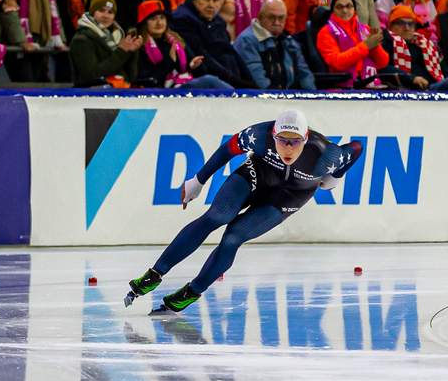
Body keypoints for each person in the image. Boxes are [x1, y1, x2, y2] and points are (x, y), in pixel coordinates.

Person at [125, 108, 362, 313]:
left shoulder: (325, 154)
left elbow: (356, 148)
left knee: (233, 237)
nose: (288, 148)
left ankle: (192, 292)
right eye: (282, 140)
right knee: (216, 216)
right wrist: (198, 181)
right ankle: (153, 275)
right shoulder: (259, 135)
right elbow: (226, 150)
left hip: (287, 198)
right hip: (256, 176)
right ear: (273, 135)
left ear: (306, 137)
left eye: (295, 141)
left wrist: (336, 176)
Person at [169, 0, 252, 88]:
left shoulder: (217, 21)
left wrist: (250, 82)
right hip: (202, 79)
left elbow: (231, 52)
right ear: (195, 0)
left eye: (215, 0)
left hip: (228, 78)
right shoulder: (182, 19)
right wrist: (236, 82)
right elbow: (202, 56)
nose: (211, 5)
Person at [135, 0, 231, 89]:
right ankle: (238, 98)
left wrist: (193, 66)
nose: (159, 23)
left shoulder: (175, 40)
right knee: (210, 81)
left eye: (162, 18)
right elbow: (148, 80)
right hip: (160, 94)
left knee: (212, 79)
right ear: (144, 23)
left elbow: (201, 72)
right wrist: (169, 61)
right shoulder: (139, 46)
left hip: (181, 86)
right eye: (153, 19)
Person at [381, 4, 448, 91]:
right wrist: (411, 79)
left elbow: (446, 71)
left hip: (434, 87)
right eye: (401, 23)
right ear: (390, 26)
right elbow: (381, 67)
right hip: (412, 89)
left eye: (411, 24)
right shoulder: (386, 41)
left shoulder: (425, 44)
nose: (407, 28)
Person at [233, 0, 315, 90]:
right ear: (260, 17)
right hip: (260, 100)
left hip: (288, 99)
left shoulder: (289, 41)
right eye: (272, 17)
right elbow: (257, 80)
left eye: (281, 18)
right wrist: (279, 100)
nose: (277, 22)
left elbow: (305, 74)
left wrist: (312, 98)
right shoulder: (246, 41)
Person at [69, 0, 139, 87]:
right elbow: (91, 76)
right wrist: (122, 51)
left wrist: (131, 52)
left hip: (119, 94)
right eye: (101, 10)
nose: (106, 16)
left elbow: (130, 77)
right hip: (92, 98)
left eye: (110, 12)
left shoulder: (117, 37)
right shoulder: (81, 40)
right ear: (93, 12)